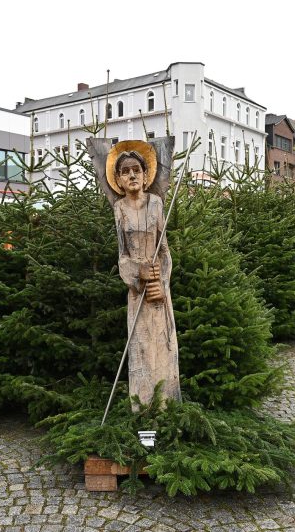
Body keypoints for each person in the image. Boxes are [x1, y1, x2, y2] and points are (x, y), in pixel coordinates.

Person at [112, 147, 181, 406]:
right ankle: (141, 406)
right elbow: (122, 254)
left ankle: (165, 405)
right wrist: (136, 273)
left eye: (136, 170)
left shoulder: (156, 204)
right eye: (125, 172)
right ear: (118, 179)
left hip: (158, 291)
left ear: (145, 175)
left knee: (162, 345)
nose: (132, 176)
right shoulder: (119, 208)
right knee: (140, 347)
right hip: (137, 290)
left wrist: (162, 283)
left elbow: (164, 250)